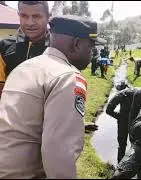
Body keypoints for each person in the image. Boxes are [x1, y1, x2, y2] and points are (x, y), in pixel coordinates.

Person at [0, 15, 97, 178]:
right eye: (91, 46)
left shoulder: (24, 67)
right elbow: (58, 152)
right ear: (76, 44)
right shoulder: (67, 76)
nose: (91, 53)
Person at [0, 1, 50, 97]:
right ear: (18, 15)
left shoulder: (59, 49)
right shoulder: (4, 46)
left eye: (36, 16)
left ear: (48, 17)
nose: (29, 23)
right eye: (24, 16)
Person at [106, 80, 137, 163]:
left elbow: (108, 110)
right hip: (135, 122)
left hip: (123, 122)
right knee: (136, 145)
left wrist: (119, 117)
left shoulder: (120, 94)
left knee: (122, 145)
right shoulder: (137, 92)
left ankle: (119, 165)